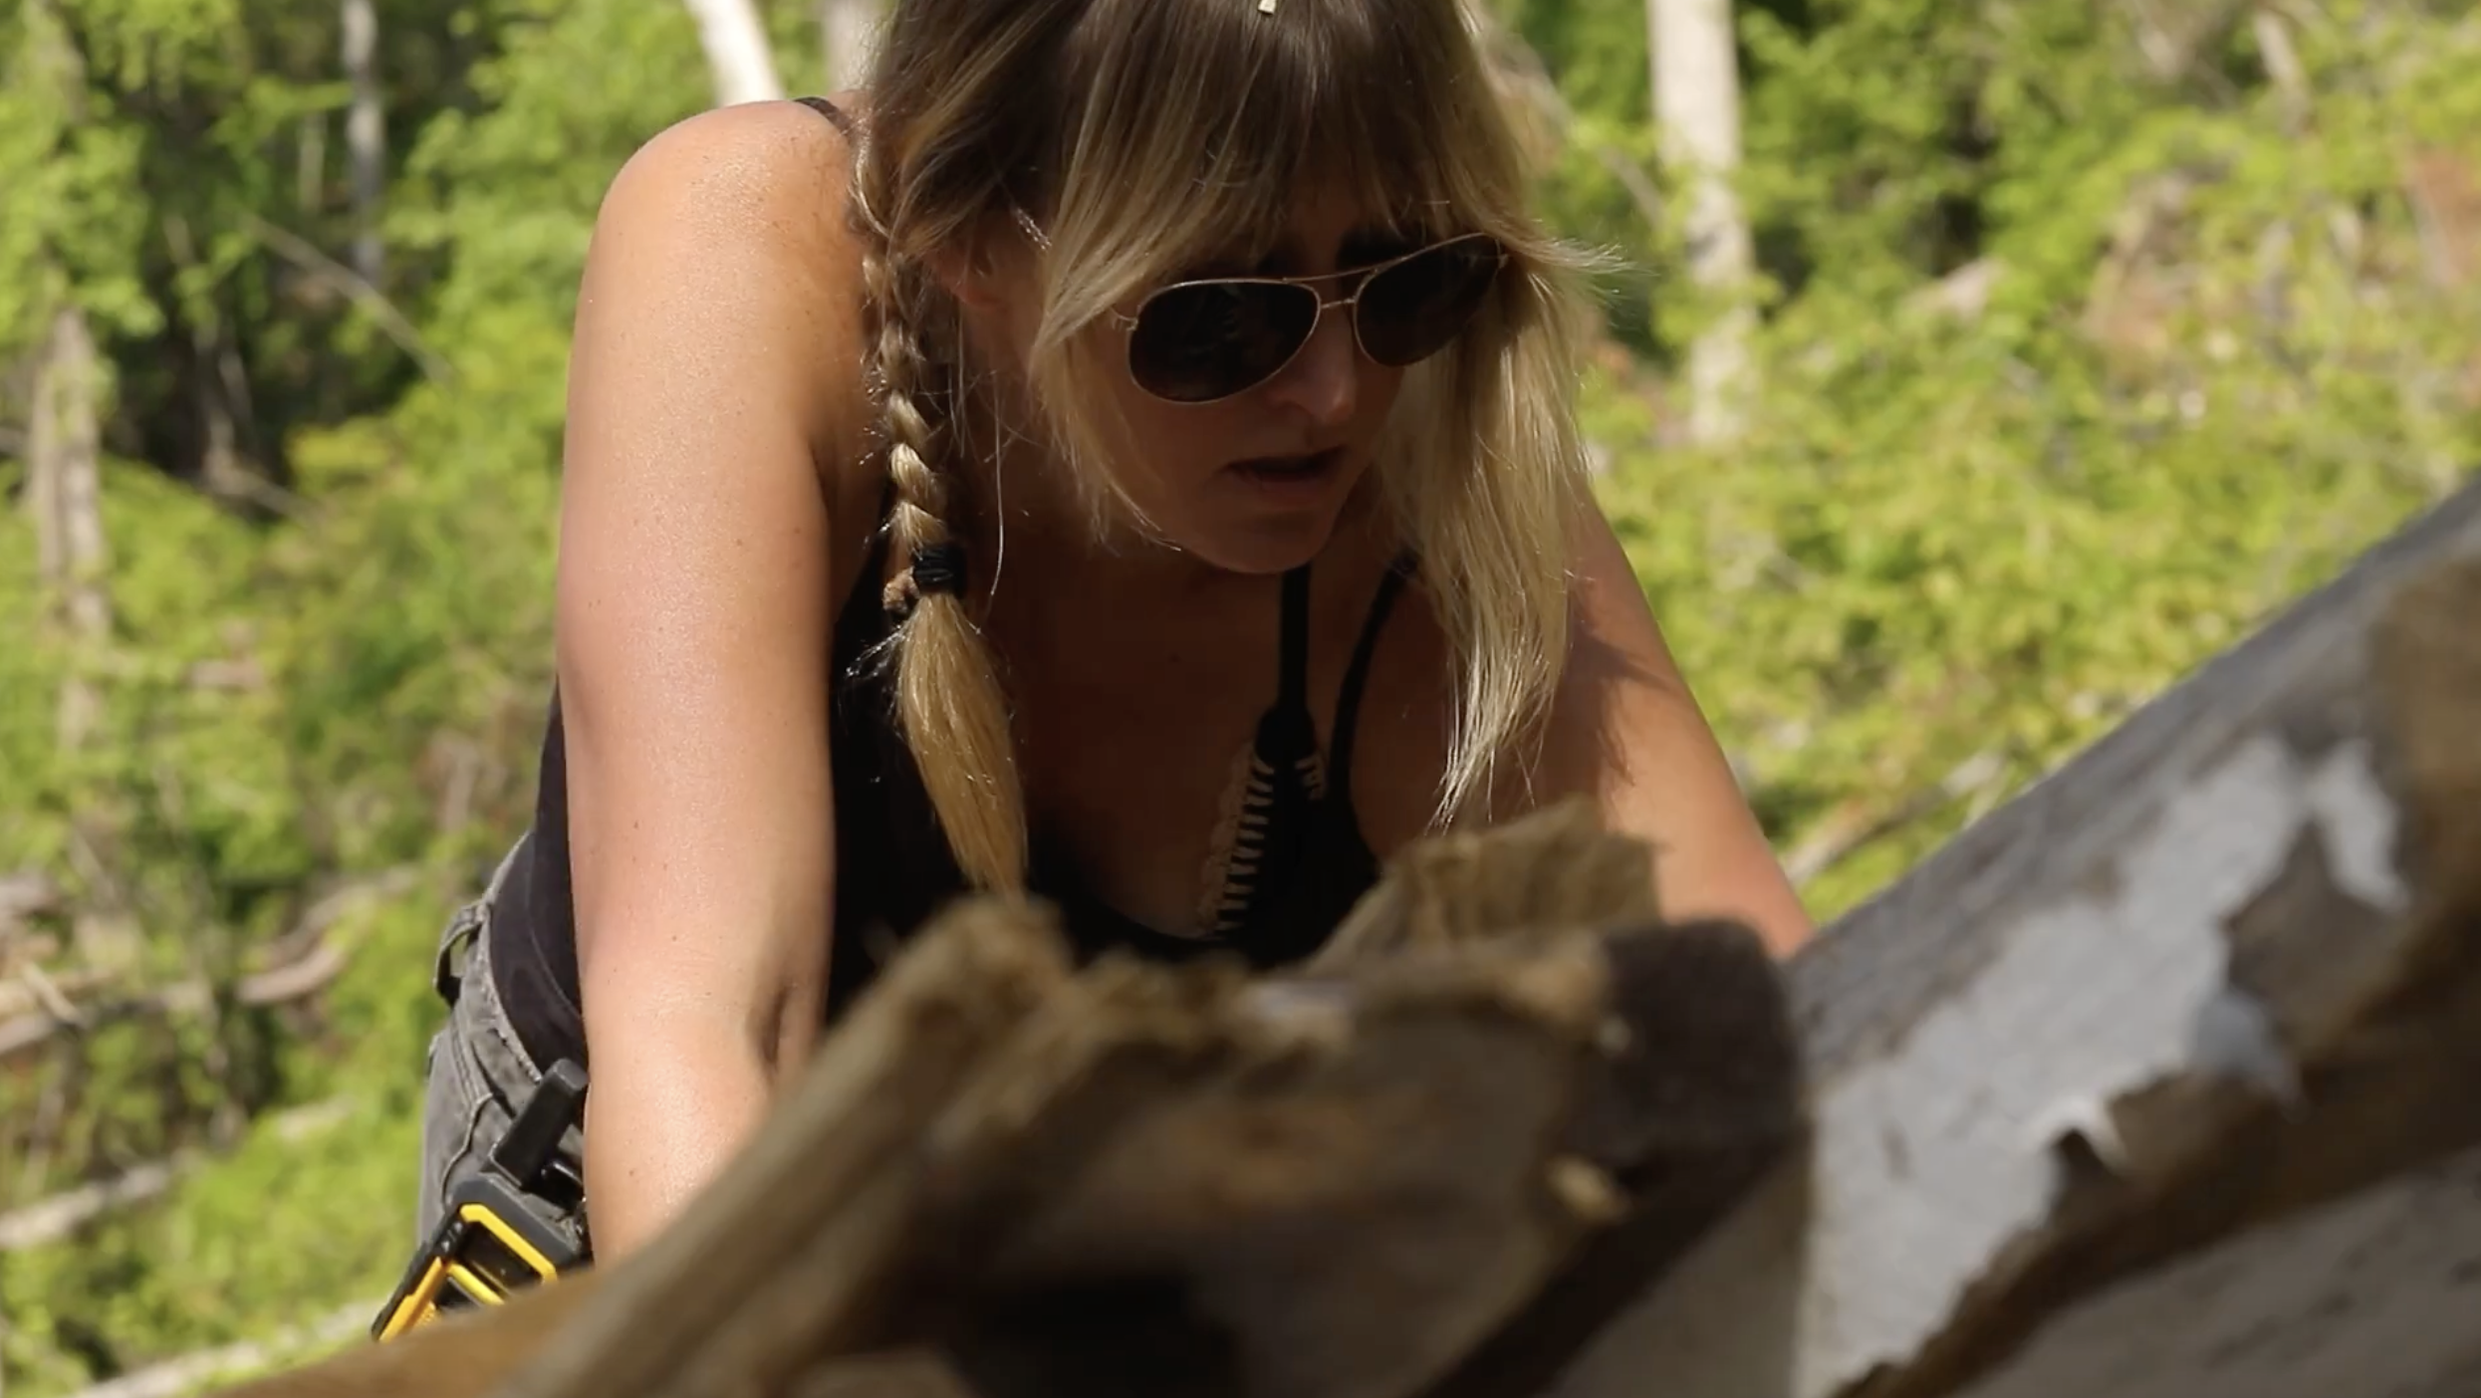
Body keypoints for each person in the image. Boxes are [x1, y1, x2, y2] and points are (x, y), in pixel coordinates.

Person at [410, 0, 1815, 1273]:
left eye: (1404, 279)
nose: (1334, 392)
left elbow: (1767, 1020)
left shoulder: (1436, 433)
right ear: (964, 239)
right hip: (654, 1206)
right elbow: (709, 1025)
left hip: (1146, 1247)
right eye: (1217, 320)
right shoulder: (741, 249)